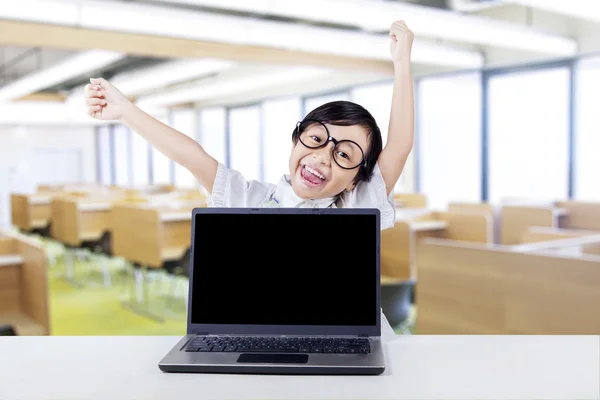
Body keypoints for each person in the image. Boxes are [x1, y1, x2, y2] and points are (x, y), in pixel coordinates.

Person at [84, 20, 414, 231]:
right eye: (316, 138)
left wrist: (401, 63)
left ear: (357, 180)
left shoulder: (357, 211)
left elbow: (399, 146)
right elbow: (192, 157)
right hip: (269, 337)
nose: (323, 156)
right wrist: (125, 112)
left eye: (344, 155)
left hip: (349, 336)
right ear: (296, 140)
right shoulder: (249, 201)